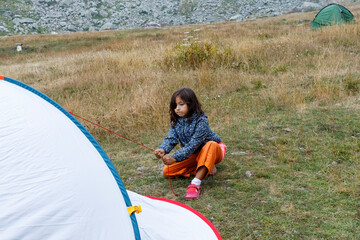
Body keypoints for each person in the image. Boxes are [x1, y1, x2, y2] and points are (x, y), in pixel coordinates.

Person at [154, 88, 226, 200]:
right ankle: (206, 167)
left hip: (212, 150)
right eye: (175, 105)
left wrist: (175, 157)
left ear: (191, 104)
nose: (177, 108)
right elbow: (171, 139)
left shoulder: (201, 120)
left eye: (181, 104)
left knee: (210, 144)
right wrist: (162, 149)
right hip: (193, 154)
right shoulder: (175, 121)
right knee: (167, 171)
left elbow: (193, 144)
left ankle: (195, 183)